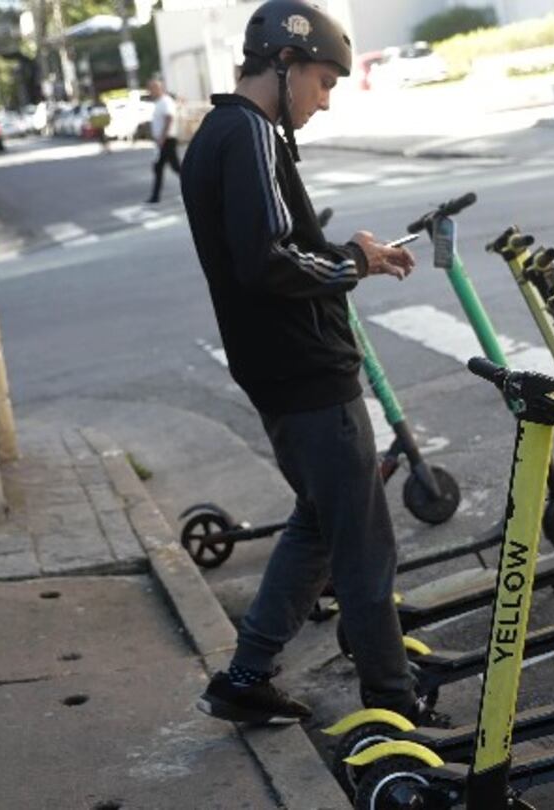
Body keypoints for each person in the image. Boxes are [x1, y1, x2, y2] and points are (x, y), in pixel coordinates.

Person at [181, 0, 435, 726]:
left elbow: (278, 247)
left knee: (322, 523)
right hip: (306, 371)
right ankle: (394, 710)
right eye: (323, 82)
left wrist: (352, 255)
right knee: (362, 544)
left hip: (277, 367)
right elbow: (269, 262)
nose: (324, 101)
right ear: (286, 64)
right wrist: (349, 261)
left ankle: (246, 675)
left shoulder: (223, 134)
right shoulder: (252, 134)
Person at [146, 78, 181, 203]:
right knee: (161, 167)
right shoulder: (158, 102)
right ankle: (155, 197)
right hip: (162, 140)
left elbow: (169, 118)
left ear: (158, 88)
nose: (150, 91)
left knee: (172, 167)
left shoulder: (166, 101)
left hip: (167, 139)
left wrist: (162, 137)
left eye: (152, 88)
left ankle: (155, 197)